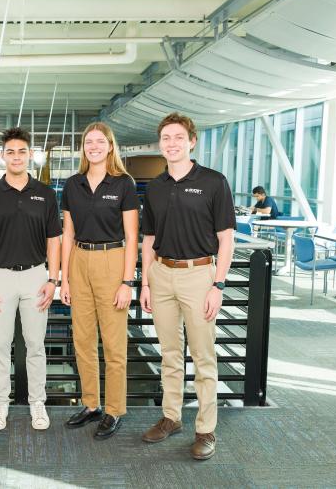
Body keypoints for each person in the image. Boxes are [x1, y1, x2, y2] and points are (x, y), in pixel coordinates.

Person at [139, 112, 235, 461]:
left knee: (203, 357)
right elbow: (148, 238)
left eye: (179, 137)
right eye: (166, 138)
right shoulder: (155, 186)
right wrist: (146, 281)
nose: (172, 143)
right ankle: (171, 418)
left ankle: (206, 429)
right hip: (161, 274)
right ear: (160, 143)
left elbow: (226, 239)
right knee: (169, 354)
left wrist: (217, 284)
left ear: (191, 141)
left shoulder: (213, 181)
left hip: (199, 276)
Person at [0, 127, 62, 431]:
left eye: (22, 151)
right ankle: (0, 404)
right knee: (0, 344)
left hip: (36, 276)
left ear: (30, 156)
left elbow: (54, 240)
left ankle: (38, 403)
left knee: (36, 344)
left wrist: (53, 279)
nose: (16, 157)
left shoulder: (46, 194)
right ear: (2, 156)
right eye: (10, 152)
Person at [59, 122, 139, 440]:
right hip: (79, 260)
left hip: (112, 260)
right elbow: (67, 233)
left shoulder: (124, 184)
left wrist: (126, 281)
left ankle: (115, 409)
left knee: (114, 344)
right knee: (83, 340)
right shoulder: (72, 184)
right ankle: (91, 404)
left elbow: (132, 236)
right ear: (83, 147)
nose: (93, 146)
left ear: (110, 146)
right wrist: (65, 279)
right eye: (88, 141)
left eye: (99, 141)